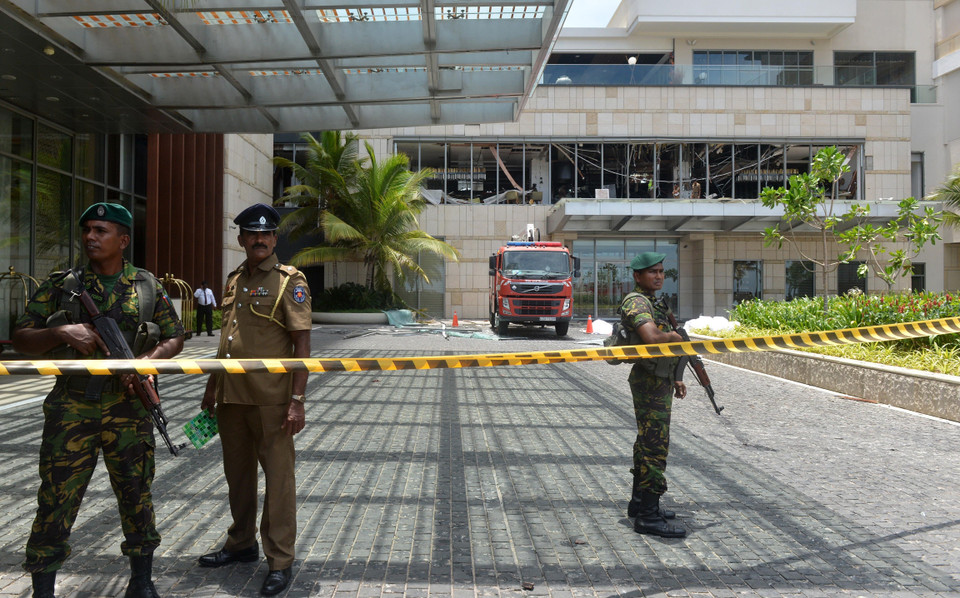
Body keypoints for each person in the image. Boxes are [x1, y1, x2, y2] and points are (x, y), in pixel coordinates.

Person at [13, 202, 185, 598]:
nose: (90, 236)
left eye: (101, 230)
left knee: (136, 495)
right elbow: (22, 338)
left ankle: (141, 582)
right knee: (56, 499)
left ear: (122, 240)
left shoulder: (146, 286)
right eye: (88, 229)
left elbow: (174, 336)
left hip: (129, 409)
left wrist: (147, 362)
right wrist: (61, 334)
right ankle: (43, 587)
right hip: (72, 407)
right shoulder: (62, 285)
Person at [197, 203, 312, 597]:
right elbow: (225, 342)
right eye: (251, 234)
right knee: (238, 479)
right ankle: (241, 544)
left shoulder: (288, 281)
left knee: (278, 483)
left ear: (275, 239)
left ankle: (280, 560)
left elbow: (301, 342)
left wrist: (297, 399)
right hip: (232, 398)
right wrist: (212, 389)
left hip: (272, 402)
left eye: (266, 234)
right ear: (242, 239)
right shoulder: (233, 280)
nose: (259, 240)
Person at [619, 252, 687, 538]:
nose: (659, 276)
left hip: (659, 379)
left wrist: (677, 377)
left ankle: (639, 504)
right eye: (652, 272)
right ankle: (647, 516)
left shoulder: (654, 301)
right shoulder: (636, 302)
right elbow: (653, 338)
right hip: (649, 382)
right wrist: (674, 337)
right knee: (654, 447)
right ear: (637, 276)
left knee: (647, 443)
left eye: (661, 271)